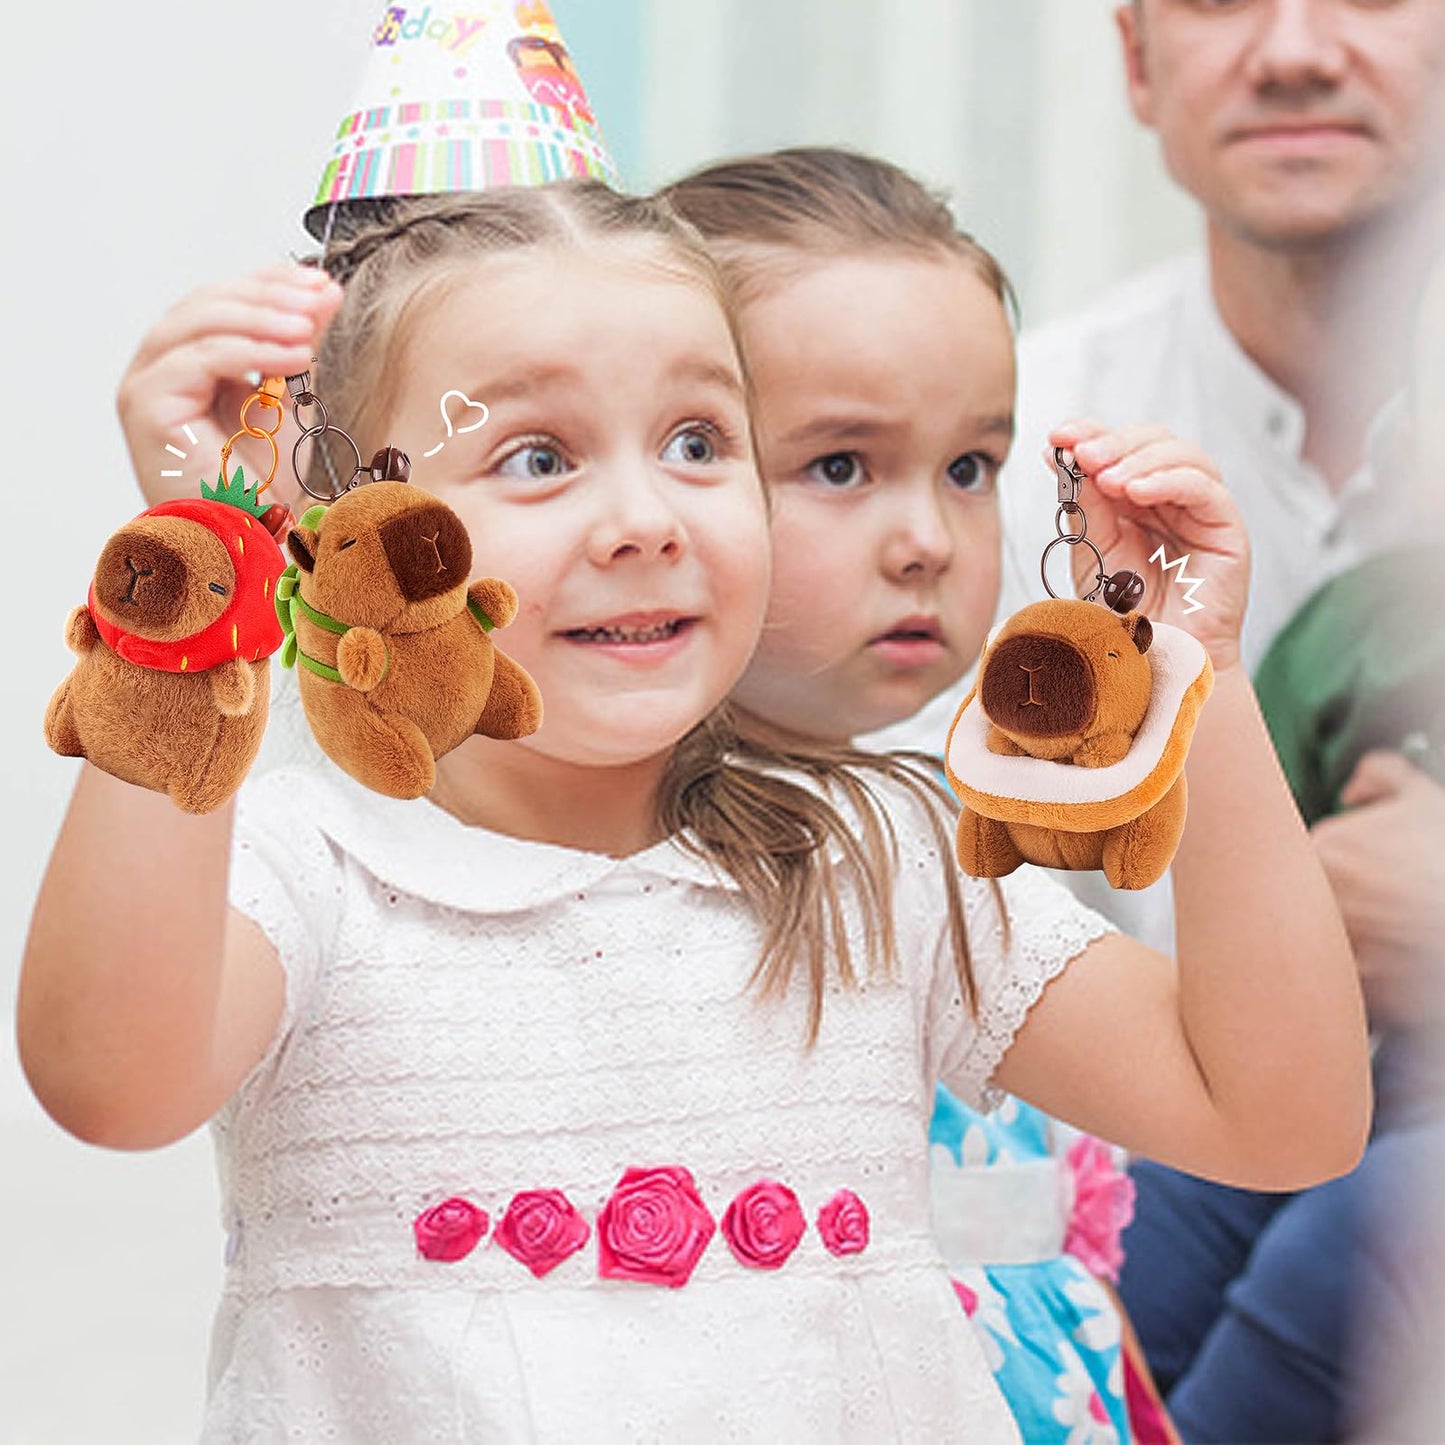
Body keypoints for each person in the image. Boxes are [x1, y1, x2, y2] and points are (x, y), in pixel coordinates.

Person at [19, 178, 1368, 1443]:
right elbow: (110, 1082)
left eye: (696, 441)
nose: (643, 516)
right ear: (342, 527)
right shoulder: (308, 870)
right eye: (538, 455)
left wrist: (1206, 671)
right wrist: (203, 557)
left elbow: (1274, 1114)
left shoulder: (878, 864)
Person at [872, 2, 1445, 1436]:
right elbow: (901, 875)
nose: (1297, 48)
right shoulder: (1003, 447)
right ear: (1132, 59)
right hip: (1148, 1120)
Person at [664, 145, 1180, 1443]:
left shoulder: (952, 823)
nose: (929, 539)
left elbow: (1055, 1257)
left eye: (969, 466)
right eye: (840, 465)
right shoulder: (634, 862)